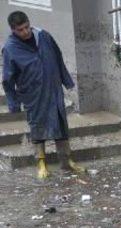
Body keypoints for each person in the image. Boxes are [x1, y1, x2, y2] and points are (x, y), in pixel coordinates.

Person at [2, 11, 85, 179]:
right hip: (33, 92)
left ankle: (67, 161)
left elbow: (58, 56)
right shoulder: (10, 48)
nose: (25, 32)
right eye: (20, 30)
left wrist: (66, 81)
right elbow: (8, 79)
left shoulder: (43, 36)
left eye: (26, 27)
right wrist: (14, 104)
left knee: (61, 125)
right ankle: (41, 163)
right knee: (38, 126)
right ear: (13, 30)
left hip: (53, 89)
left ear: (29, 23)